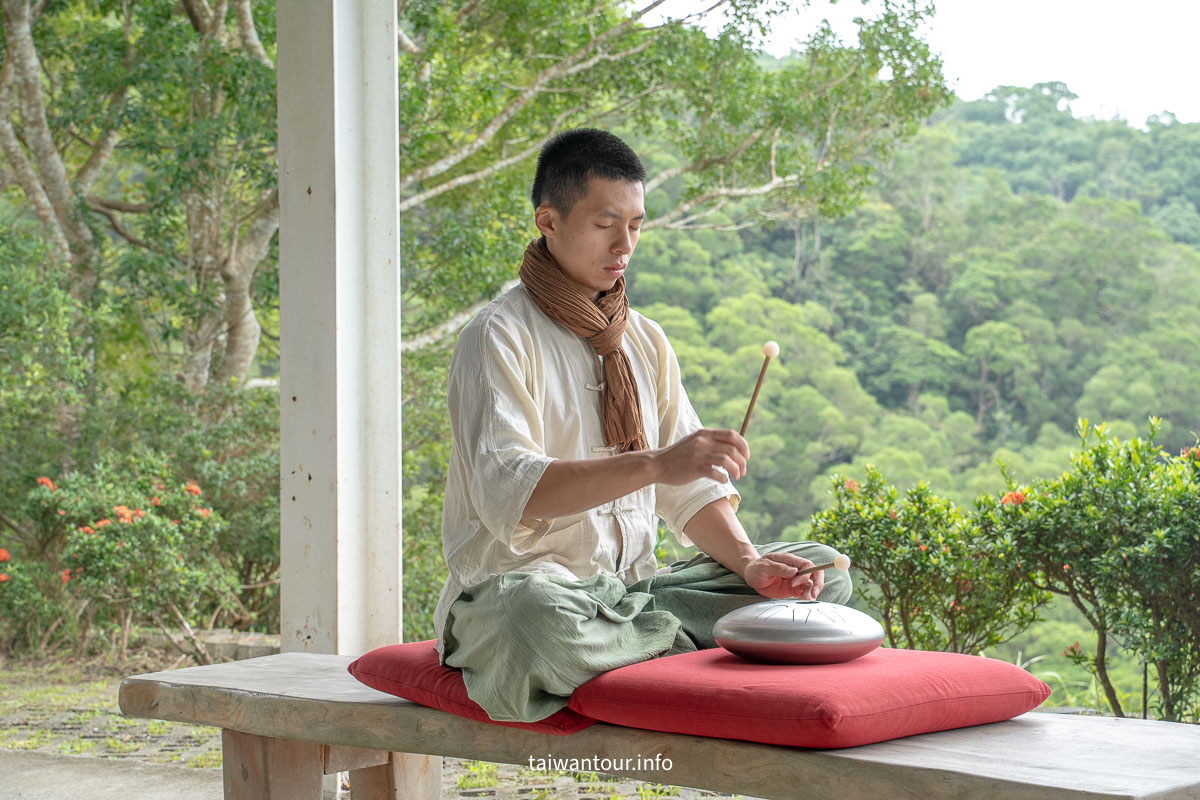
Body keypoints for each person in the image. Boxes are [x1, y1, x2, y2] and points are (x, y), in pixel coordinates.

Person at [434, 128, 851, 722]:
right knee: (536, 625)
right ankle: (680, 646)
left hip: (636, 595)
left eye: (635, 225)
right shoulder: (496, 335)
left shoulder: (644, 340)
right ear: (548, 220)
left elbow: (689, 489)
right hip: (525, 597)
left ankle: (643, 643)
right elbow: (514, 490)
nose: (624, 244)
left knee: (821, 572)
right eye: (606, 224)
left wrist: (751, 562)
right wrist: (656, 463)